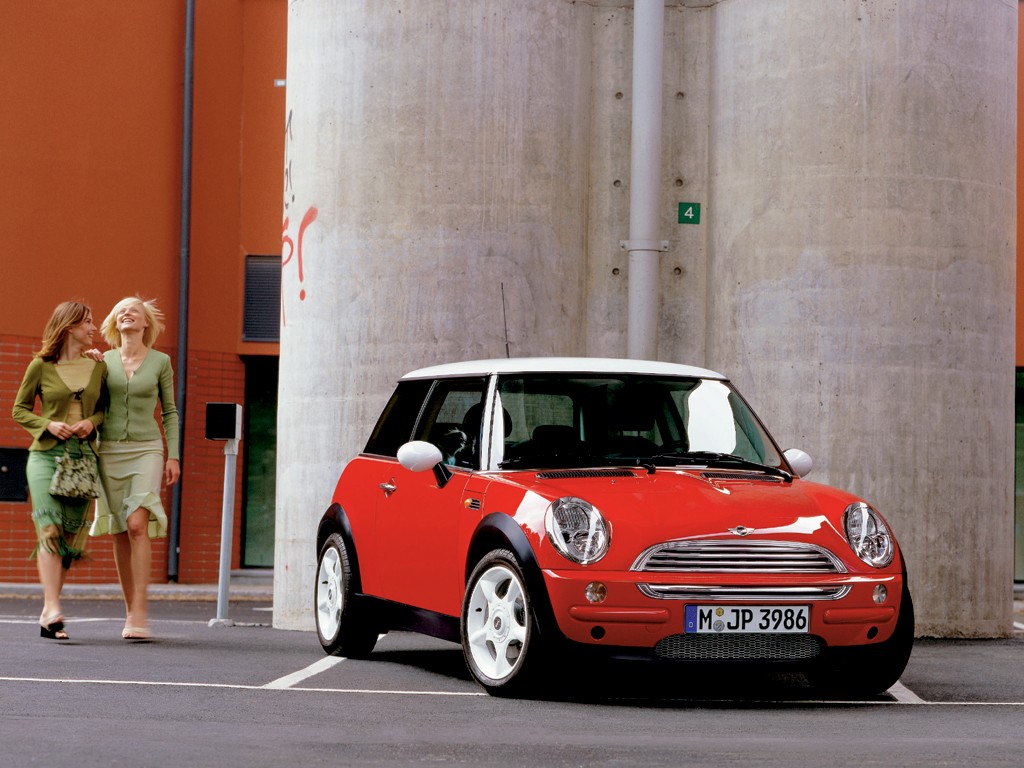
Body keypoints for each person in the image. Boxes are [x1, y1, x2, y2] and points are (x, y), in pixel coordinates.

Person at [12, 301, 108, 640]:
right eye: (87, 322)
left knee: (66, 538)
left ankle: (47, 614)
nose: (94, 328)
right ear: (69, 327)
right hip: (45, 457)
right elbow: (19, 409)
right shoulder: (40, 365)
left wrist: (91, 423)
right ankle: (53, 608)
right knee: (49, 529)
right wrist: (48, 424)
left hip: (83, 459)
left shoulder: (99, 366)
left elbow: (105, 411)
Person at [90, 296, 180, 640]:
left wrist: (173, 455)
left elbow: (169, 411)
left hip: (147, 449)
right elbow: (89, 404)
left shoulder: (161, 362)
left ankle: (140, 608)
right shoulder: (102, 361)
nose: (127, 313)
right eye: (121, 310)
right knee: (119, 530)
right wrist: (87, 366)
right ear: (115, 322)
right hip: (109, 451)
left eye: (135, 310)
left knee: (136, 524)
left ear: (145, 324)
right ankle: (130, 611)